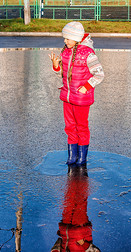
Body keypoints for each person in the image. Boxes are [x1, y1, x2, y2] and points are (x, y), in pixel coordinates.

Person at [49, 21, 104, 166]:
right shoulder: (65, 52)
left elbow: (99, 74)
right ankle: (72, 155)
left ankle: (82, 157)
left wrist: (86, 86)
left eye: (67, 38)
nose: (65, 41)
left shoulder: (88, 54)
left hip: (81, 98)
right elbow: (63, 75)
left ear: (77, 38)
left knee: (81, 126)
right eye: (64, 38)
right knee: (69, 126)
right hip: (67, 96)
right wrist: (56, 66)